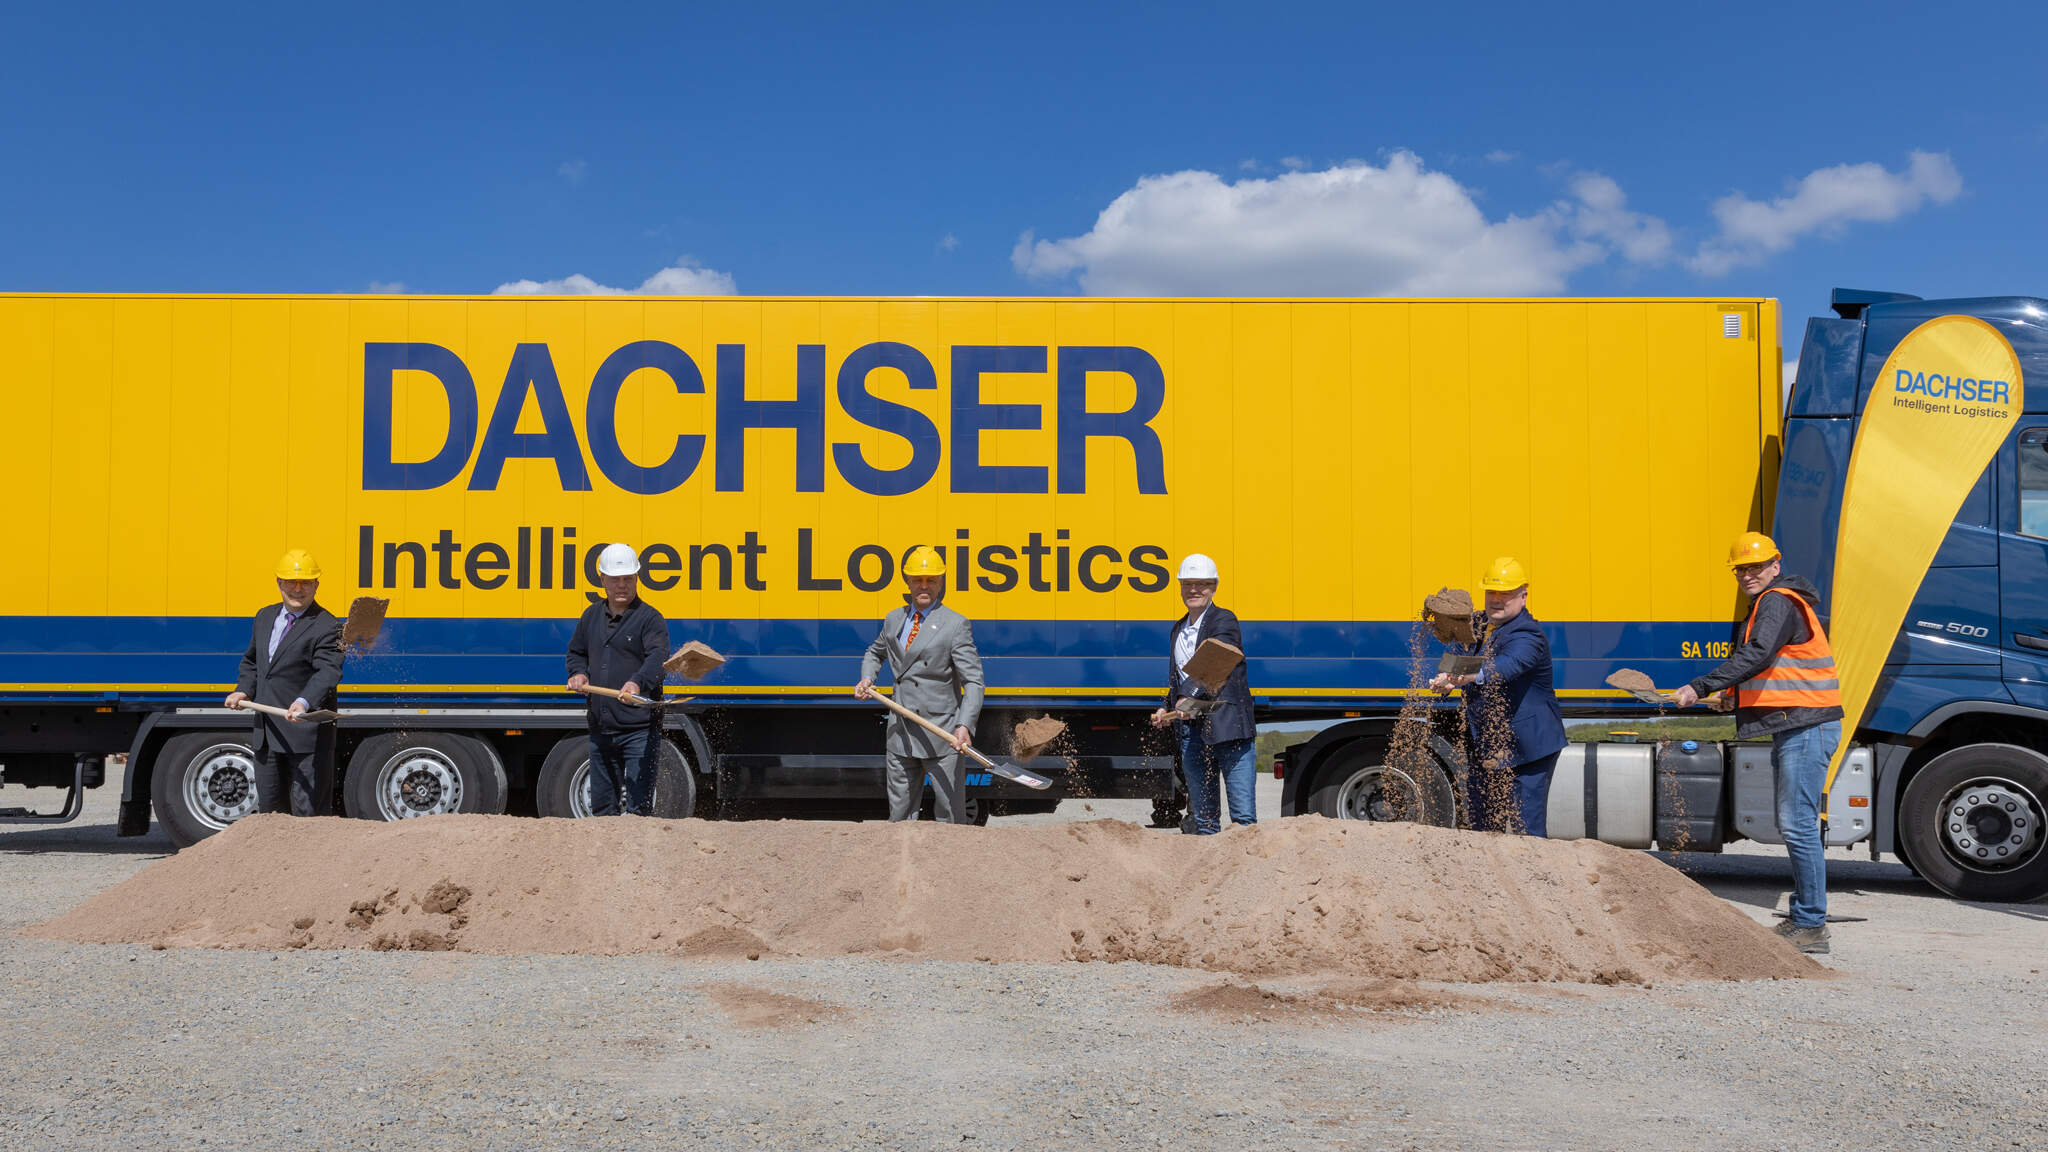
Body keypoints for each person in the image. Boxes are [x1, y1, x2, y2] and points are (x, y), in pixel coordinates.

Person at [1672, 532, 1843, 955]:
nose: (1748, 574)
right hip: (1798, 723)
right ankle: (1806, 916)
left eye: (1755, 566)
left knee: (1798, 824)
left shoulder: (1776, 601)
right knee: (1796, 823)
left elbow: (1759, 654)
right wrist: (1733, 697)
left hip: (1806, 725)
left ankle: (1811, 924)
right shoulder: (1774, 603)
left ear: (1775, 565)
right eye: (1741, 569)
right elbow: (1774, 668)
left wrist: (1700, 685)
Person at [1428, 556, 1566, 836]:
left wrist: (1465, 677)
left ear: (1523, 596)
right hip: (1488, 744)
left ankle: (1532, 878)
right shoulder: (1479, 622)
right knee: (1482, 830)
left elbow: (1506, 665)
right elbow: (1462, 658)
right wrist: (1447, 677)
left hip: (1527, 749)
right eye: (1492, 592)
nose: (1497, 599)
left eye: (1507, 593)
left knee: (1526, 832)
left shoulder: (1529, 635)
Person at [855, 545, 983, 823]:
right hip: (900, 734)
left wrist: (964, 725)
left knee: (950, 816)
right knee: (900, 818)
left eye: (931, 580)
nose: (924, 586)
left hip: (942, 735)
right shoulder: (894, 619)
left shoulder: (955, 624)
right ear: (908, 582)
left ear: (941, 582)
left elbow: (973, 681)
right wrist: (868, 676)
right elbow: (874, 652)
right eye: (917, 580)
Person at [226, 549, 345, 816]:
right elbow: (254, 663)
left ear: (316, 585)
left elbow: (328, 672)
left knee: (308, 815)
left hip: (305, 737)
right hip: (267, 734)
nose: (298, 589)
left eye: (306, 583)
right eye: (291, 582)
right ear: (279, 583)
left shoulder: (329, 625)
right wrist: (243, 689)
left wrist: (304, 702)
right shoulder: (264, 617)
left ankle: (310, 859)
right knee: (270, 814)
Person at [1150, 553, 1256, 835]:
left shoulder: (1224, 621)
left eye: (1201, 584)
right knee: (1205, 821)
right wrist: (1167, 708)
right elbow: (1180, 680)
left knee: (1243, 820)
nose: (1193, 590)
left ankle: (1248, 876)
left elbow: (1215, 661)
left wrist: (1186, 697)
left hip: (1228, 727)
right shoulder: (1178, 629)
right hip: (1192, 730)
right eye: (1187, 584)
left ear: (1214, 587)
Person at [566, 543, 672, 816]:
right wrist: (578, 673)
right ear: (603, 580)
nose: (622, 585)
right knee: (603, 810)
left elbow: (658, 659)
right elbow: (576, 652)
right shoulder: (590, 616)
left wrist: (637, 682)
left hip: (639, 729)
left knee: (638, 810)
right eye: (616, 579)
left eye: (628, 579)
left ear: (637, 578)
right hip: (601, 728)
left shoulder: (650, 619)